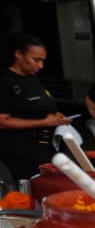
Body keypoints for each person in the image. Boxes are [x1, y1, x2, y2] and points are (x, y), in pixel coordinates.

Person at [0, 33, 71, 187]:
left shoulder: (32, 78)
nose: (40, 66)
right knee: (32, 189)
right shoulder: (5, 81)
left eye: (43, 61)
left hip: (45, 147)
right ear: (18, 54)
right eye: (36, 60)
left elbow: (37, 106)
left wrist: (55, 116)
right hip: (21, 150)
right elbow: (3, 121)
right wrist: (44, 122)